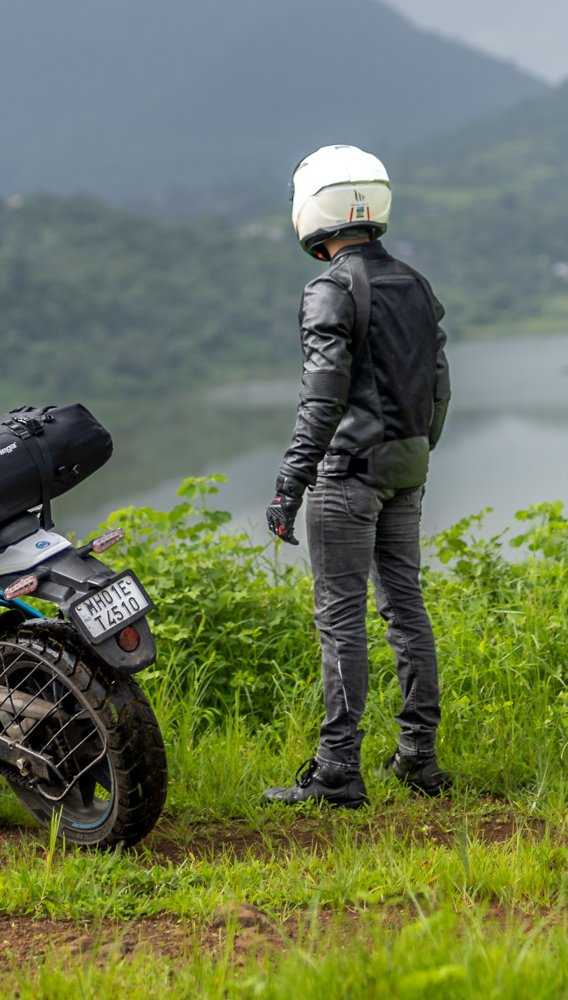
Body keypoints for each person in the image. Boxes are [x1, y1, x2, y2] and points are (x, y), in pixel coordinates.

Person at [263, 144, 452, 809]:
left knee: (340, 619)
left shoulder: (331, 289)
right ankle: (419, 757)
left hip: (348, 477)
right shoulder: (415, 284)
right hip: (406, 468)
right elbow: (439, 387)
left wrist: (291, 482)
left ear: (313, 209)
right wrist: (415, 451)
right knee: (406, 606)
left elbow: (322, 398)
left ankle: (339, 769)